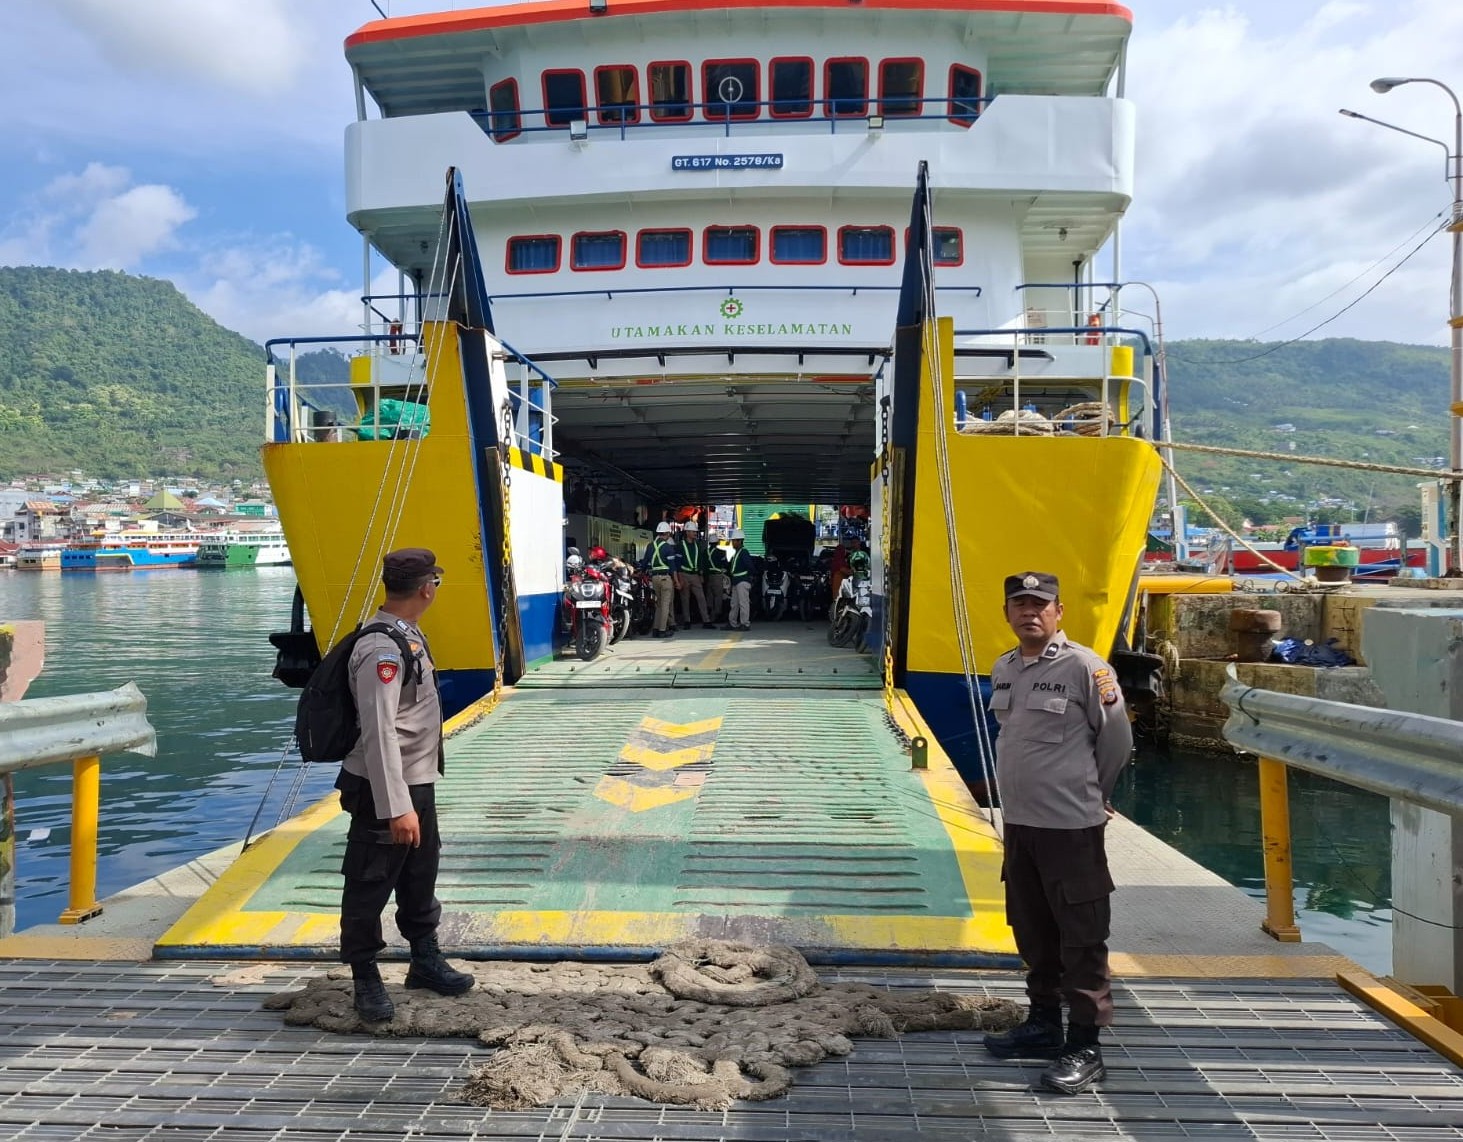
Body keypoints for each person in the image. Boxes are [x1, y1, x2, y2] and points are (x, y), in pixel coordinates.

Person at [981, 571, 1131, 1095]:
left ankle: (1084, 1044)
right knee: (1033, 928)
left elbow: (1116, 741)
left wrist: (1095, 792)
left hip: (1071, 826)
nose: (1031, 613)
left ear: (1059, 611)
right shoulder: (1004, 668)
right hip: (1021, 825)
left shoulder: (1086, 668)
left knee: (1083, 937)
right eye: (1020, 604)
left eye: (1041, 605)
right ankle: (1044, 1023)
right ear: (1007, 613)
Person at [335, 547, 474, 1023]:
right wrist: (396, 806)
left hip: (414, 781)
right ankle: (364, 976)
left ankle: (424, 959)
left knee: (419, 874)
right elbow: (378, 731)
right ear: (426, 588)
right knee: (369, 882)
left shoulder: (406, 634)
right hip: (383, 787)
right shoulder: (381, 649)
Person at [640, 521, 682, 638]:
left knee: (658, 604)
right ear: (667, 533)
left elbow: (644, 563)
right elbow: (672, 567)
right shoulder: (668, 548)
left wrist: (640, 573)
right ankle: (662, 630)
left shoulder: (650, 546)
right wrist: (677, 581)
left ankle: (655, 629)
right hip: (665, 578)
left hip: (654, 579)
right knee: (665, 605)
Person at [676, 520, 715, 630]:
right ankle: (687, 621)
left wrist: (701, 574)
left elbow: (700, 561)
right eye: (693, 531)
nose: (695, 533)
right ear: (687, 532)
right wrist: (679, 578)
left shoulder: (698, 545)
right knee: (685, 599)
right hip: (684, 574)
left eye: (695, 532)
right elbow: (678, 563)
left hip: (695, 575)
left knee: (701, 598)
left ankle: (706, 621)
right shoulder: (680, 545)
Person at [723, 528, 753, 631]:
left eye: (734, 540)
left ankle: (745, 623)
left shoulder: (744, 552)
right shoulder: (737, 552)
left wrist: (749, 578)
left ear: (739, 541)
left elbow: (750, 567)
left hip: (742, 581)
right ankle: (733, 623)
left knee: (743, 603)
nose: (732, 542)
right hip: (736, 581)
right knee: (734, 603)